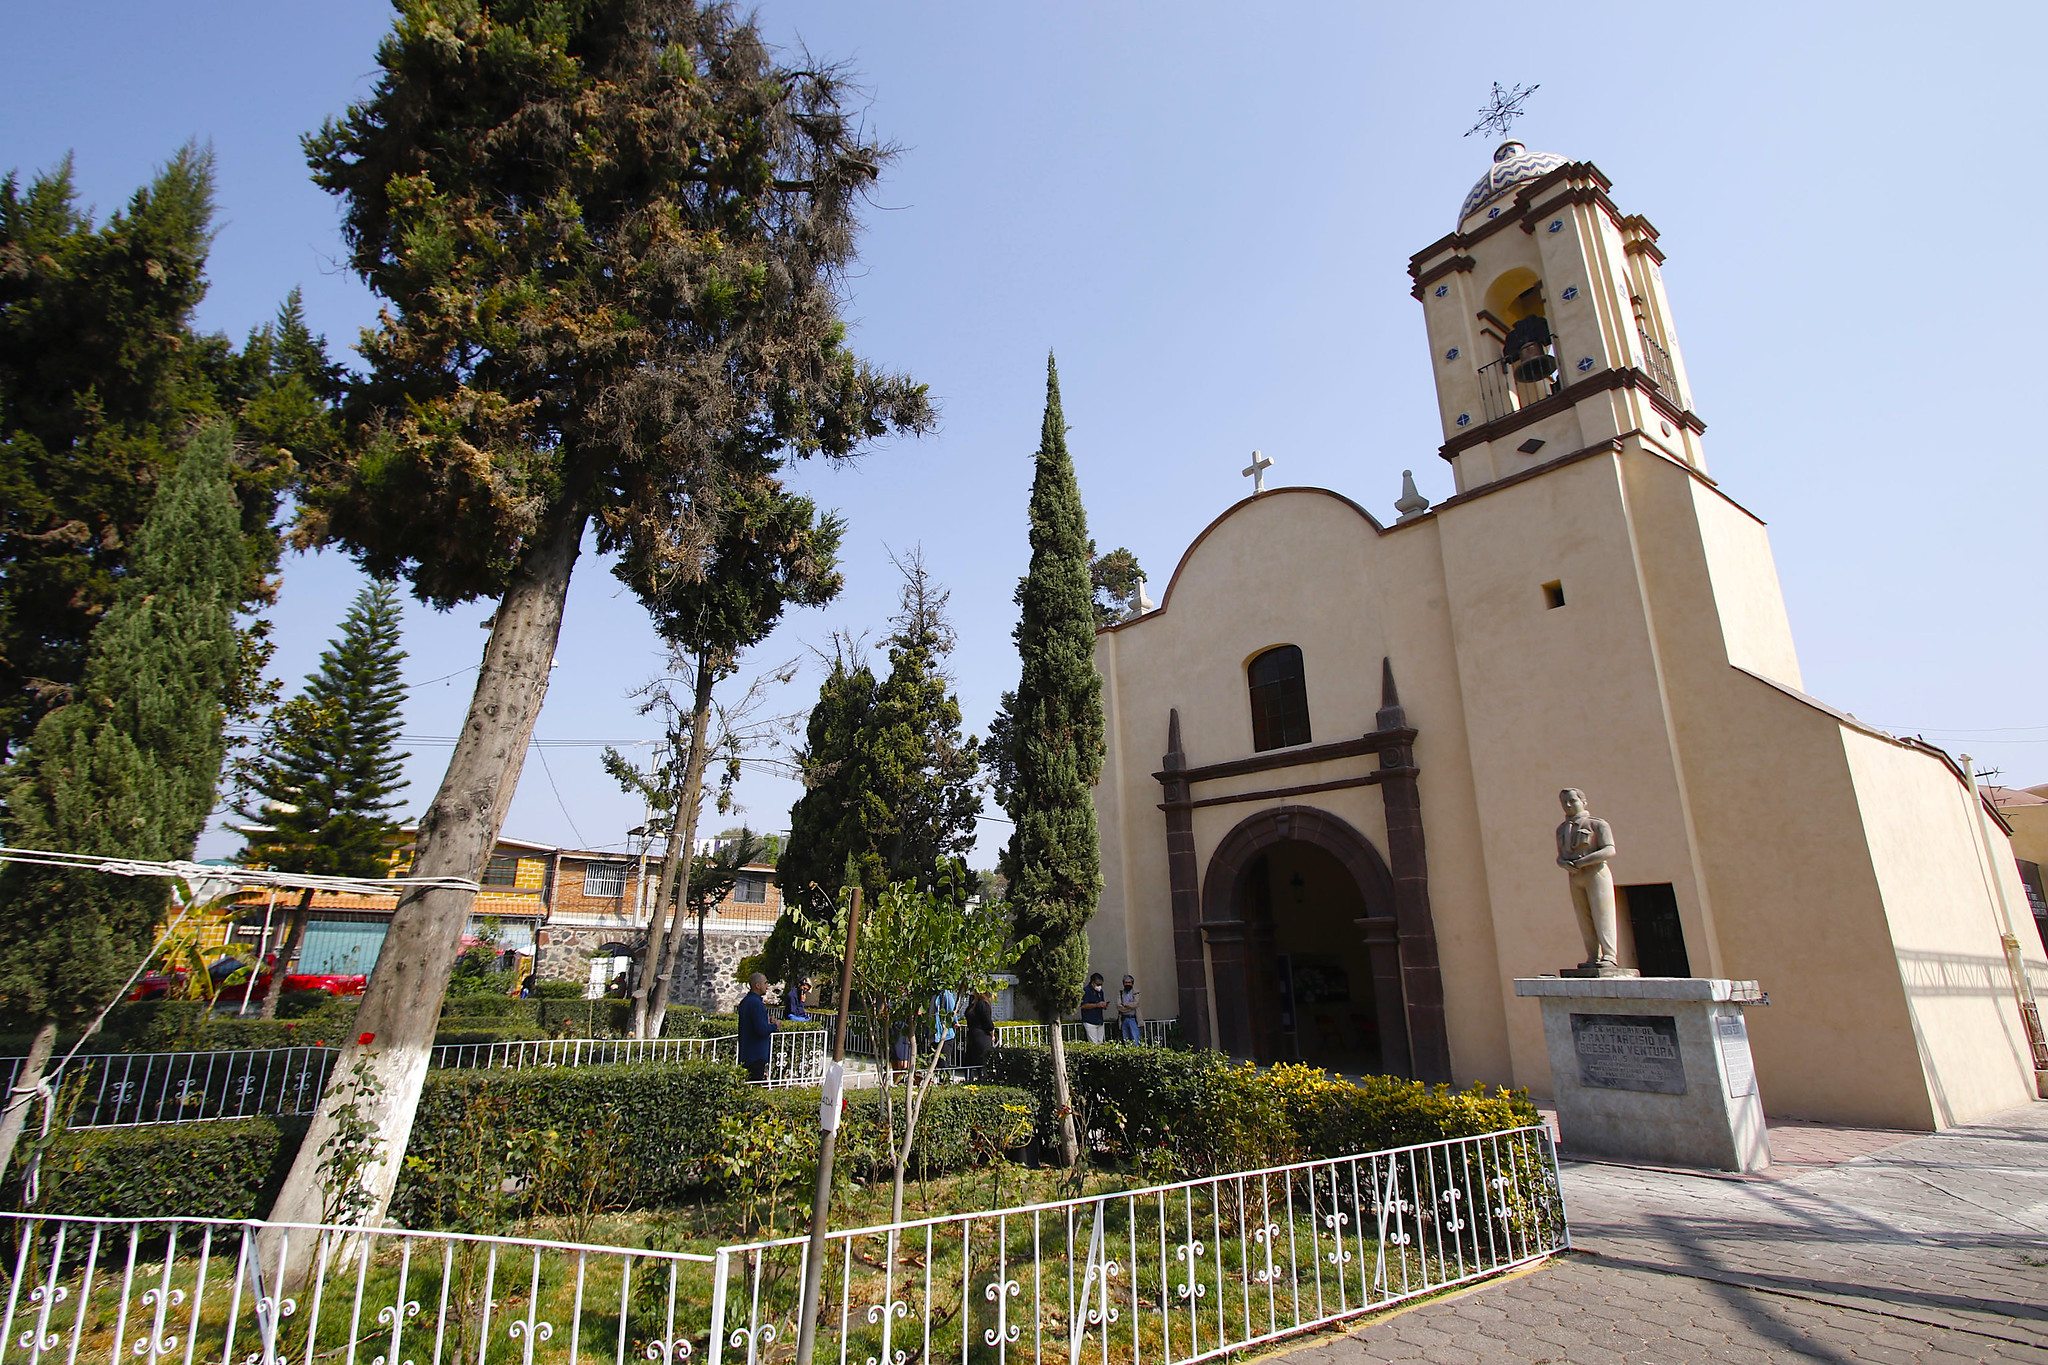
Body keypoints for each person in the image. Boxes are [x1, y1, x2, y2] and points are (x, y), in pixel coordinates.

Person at [737, 971, 777, 1083]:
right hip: (756, 1055)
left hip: (746, 1053)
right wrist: (774, 1026)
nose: (767, 986)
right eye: (765, 983)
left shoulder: (746, 1002)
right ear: (757, 985)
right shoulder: (755, 1003)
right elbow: (761, 1030)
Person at [963, 989, 996, 1069]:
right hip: (975, 1036)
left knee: (979, 1064)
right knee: (972, 1063)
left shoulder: (981, 1004)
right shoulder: (974, 1003)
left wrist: (992, 1034)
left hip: (980, 1037)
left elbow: (988, 1023)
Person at [1079, 972, 1107, 1044]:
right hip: (1089, 1021)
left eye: (1101, 985)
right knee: (1093, 1043)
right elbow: (1083, 1005)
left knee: (1100, 1042)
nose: (1099, 986)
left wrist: (1104, 1005)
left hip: (1099, 1020)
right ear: (1092, 983)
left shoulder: (1100, 992)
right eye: (1098, 984)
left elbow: (1101, 1003)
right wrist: (1097, 1005)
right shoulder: (1086, 991)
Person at [1117, 975, 1141, 1043]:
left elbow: (1135, 1004)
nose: (1127, 984)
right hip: (1124, 1019)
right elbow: (1119, 1006)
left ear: (1132, 983)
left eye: (1129, 982)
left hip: (1133, 1019)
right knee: (1126, 1040)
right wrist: (1130, 1007)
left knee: (1135, 1039)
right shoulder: (1121, 993)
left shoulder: (1136, 992)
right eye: (1126, 982)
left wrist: (1125, 1005)